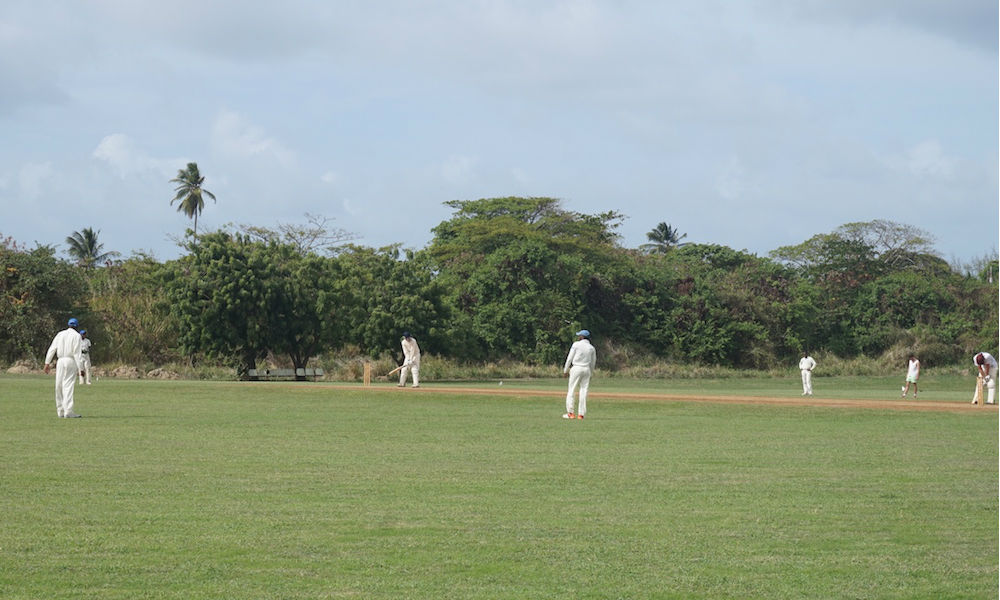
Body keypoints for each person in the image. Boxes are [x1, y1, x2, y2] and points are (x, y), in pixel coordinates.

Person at [43, 318, 84, 418]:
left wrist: (47, 363)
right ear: (77, 326)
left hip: (60, 361)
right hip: (70, 361)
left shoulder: (60, 334)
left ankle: (60, 410)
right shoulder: (77, 336)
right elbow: (77, 354)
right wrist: (81, 369)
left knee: (59, 385)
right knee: (68, 385)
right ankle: (68, 411)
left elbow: (52, 348)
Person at [563, 329, 597, 419]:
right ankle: (581, 414)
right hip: (586, 369)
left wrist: (565, 370)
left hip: (576, 368)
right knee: (584, 391)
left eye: (579, 336)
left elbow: (569, 358)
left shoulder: (576, 345)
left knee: (572, 390)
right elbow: (593, 362)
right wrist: (591, 373)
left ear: (582, 337)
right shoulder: (591, 348)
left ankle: (570, 413)